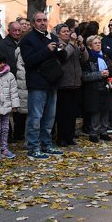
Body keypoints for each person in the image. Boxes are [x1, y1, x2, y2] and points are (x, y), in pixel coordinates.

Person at [19, 11, 65, 160]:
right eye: (39, 20)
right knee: (35, 117)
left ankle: (46, 144)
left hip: (52, 82)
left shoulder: (52, 36)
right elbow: (30, 60)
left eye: (45, 20)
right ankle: (33, 147)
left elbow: (62, 58)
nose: (43, 23)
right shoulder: (28, 39)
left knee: (49, 118)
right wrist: (47, 50)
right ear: (33, 23)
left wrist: (61, 49)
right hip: (37, 83)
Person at [55, 24, 85, 147]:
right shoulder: (58, 44)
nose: (67, 33)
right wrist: (72, 43)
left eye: (68, 31)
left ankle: (70, 136)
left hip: (76, 83)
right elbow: (64, 56)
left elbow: (84, 59)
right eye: (64, 31)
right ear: (58, 34)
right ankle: (61, 137)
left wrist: (82, 46)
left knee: (72, 113)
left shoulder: (74, 44)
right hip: (63, 83)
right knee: (63, 113)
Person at [82, 36, 112, 143]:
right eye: (95, 43)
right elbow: (84, 76)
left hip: (105, 88)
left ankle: (103, 132)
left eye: (99, 42)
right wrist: (99, 74)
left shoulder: (104, 56)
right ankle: (93, 133)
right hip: (93, 89)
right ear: (90, 45)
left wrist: (108, 72)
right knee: (95, 112)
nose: (98, 44)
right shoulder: (87, 58)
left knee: (106, 110)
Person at [0, 52, 19, 160]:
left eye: (3, 62)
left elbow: (14, 91)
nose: (2, 64)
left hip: (7, 106)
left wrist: (15, 105)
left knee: (6, 128)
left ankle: (4, 148)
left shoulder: (10, 75)